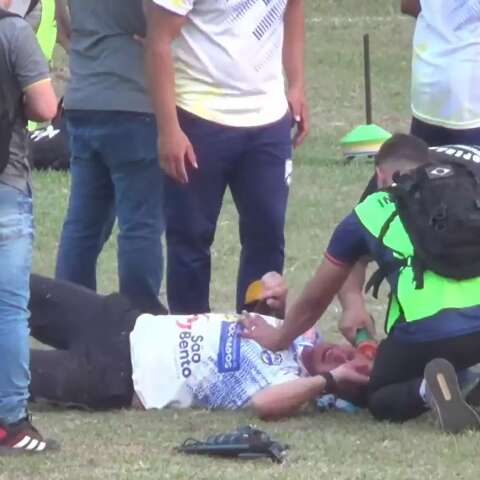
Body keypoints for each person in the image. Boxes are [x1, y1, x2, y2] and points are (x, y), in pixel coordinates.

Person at [241, 134, 480, 433]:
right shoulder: (468, 183)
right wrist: (353, 303)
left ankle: (426, 390)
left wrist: (278, 338)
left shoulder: (368, 211)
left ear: (381, 174)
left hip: (426, 330)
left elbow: (316, 299)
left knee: (378, 395)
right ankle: (466, 383)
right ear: (430, 165)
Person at [146, 0, 309, 314]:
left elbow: (294, 7)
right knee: (190, 240)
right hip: (197, 117)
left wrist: (297, 84)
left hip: (269, 121)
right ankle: (191, 340)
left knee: (267, 236)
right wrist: (169, 128)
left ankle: (259, 340)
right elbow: (158, 40)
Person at [28, 272, 370, 419]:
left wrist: (330, 379)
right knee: (17, 287)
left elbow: (263, 405)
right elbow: (255, 304)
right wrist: (270, 290)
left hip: (120, 376)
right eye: (350, 351)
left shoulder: (292, 387)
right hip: (125, 322)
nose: (341, 354)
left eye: (343, 364)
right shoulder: (305, 333)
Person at [54, 0, 166, 314]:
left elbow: (64, 31)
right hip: (135, 102)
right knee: (140, 225)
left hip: (84, 100)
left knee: (82, 224)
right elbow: (164, 27)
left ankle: (69, 313)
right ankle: (138, 316)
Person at [0, 0, 58, 453]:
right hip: (6, 184)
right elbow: (44, 107)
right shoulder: (13, 33)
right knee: (8, 310)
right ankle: (10, 423)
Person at [401, 0, 480, 146]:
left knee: (425, 165)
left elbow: (408, 5)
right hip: (469, 88)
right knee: (469, 166)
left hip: (426, 78)